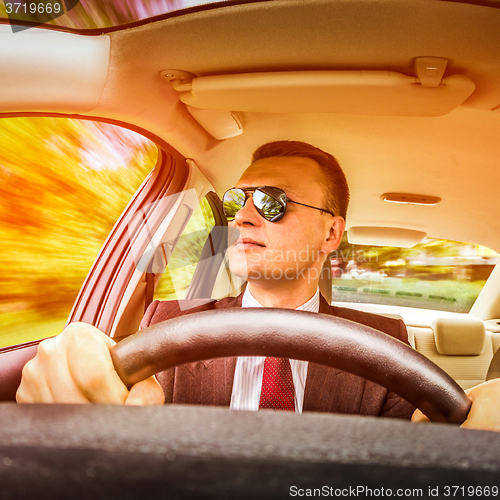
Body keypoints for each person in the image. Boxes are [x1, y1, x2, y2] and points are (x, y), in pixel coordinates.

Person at [17, 141, 500, 431]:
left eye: (273, 203)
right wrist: (72, 373)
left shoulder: (387, 340)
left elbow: (407, 460)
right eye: (237, 200)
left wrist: (464, 438)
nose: (244, 216)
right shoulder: (167, 323)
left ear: (331, 233)